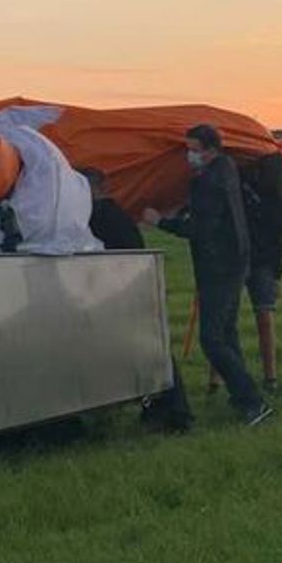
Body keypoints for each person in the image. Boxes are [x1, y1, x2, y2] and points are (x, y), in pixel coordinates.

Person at [142, 125, 274, 426]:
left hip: (218, 266)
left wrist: (161, 221)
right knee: (227, 333)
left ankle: (253, 402)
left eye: (193, 149)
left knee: (211, 338)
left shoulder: (208, 181)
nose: (189, 156)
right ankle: (243, 398)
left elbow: (200, 230)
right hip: (237, 260)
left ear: (210, 149)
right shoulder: (228, 169)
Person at [85, 167, 193, 433]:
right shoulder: (116, 214)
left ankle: (171, 412)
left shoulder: (100, 215)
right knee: (150, 350)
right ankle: (164, 410)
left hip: (125, 293)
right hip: (134, 289)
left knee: (147, 352)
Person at [239, 153, 282, 390]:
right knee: (263, 318)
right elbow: (281, 242)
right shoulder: (250, 189)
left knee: (228, 321)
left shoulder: (251, 190)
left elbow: (279, 241)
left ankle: (270, 378)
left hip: (251, 262)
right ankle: (271, 378)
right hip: (253, 262)